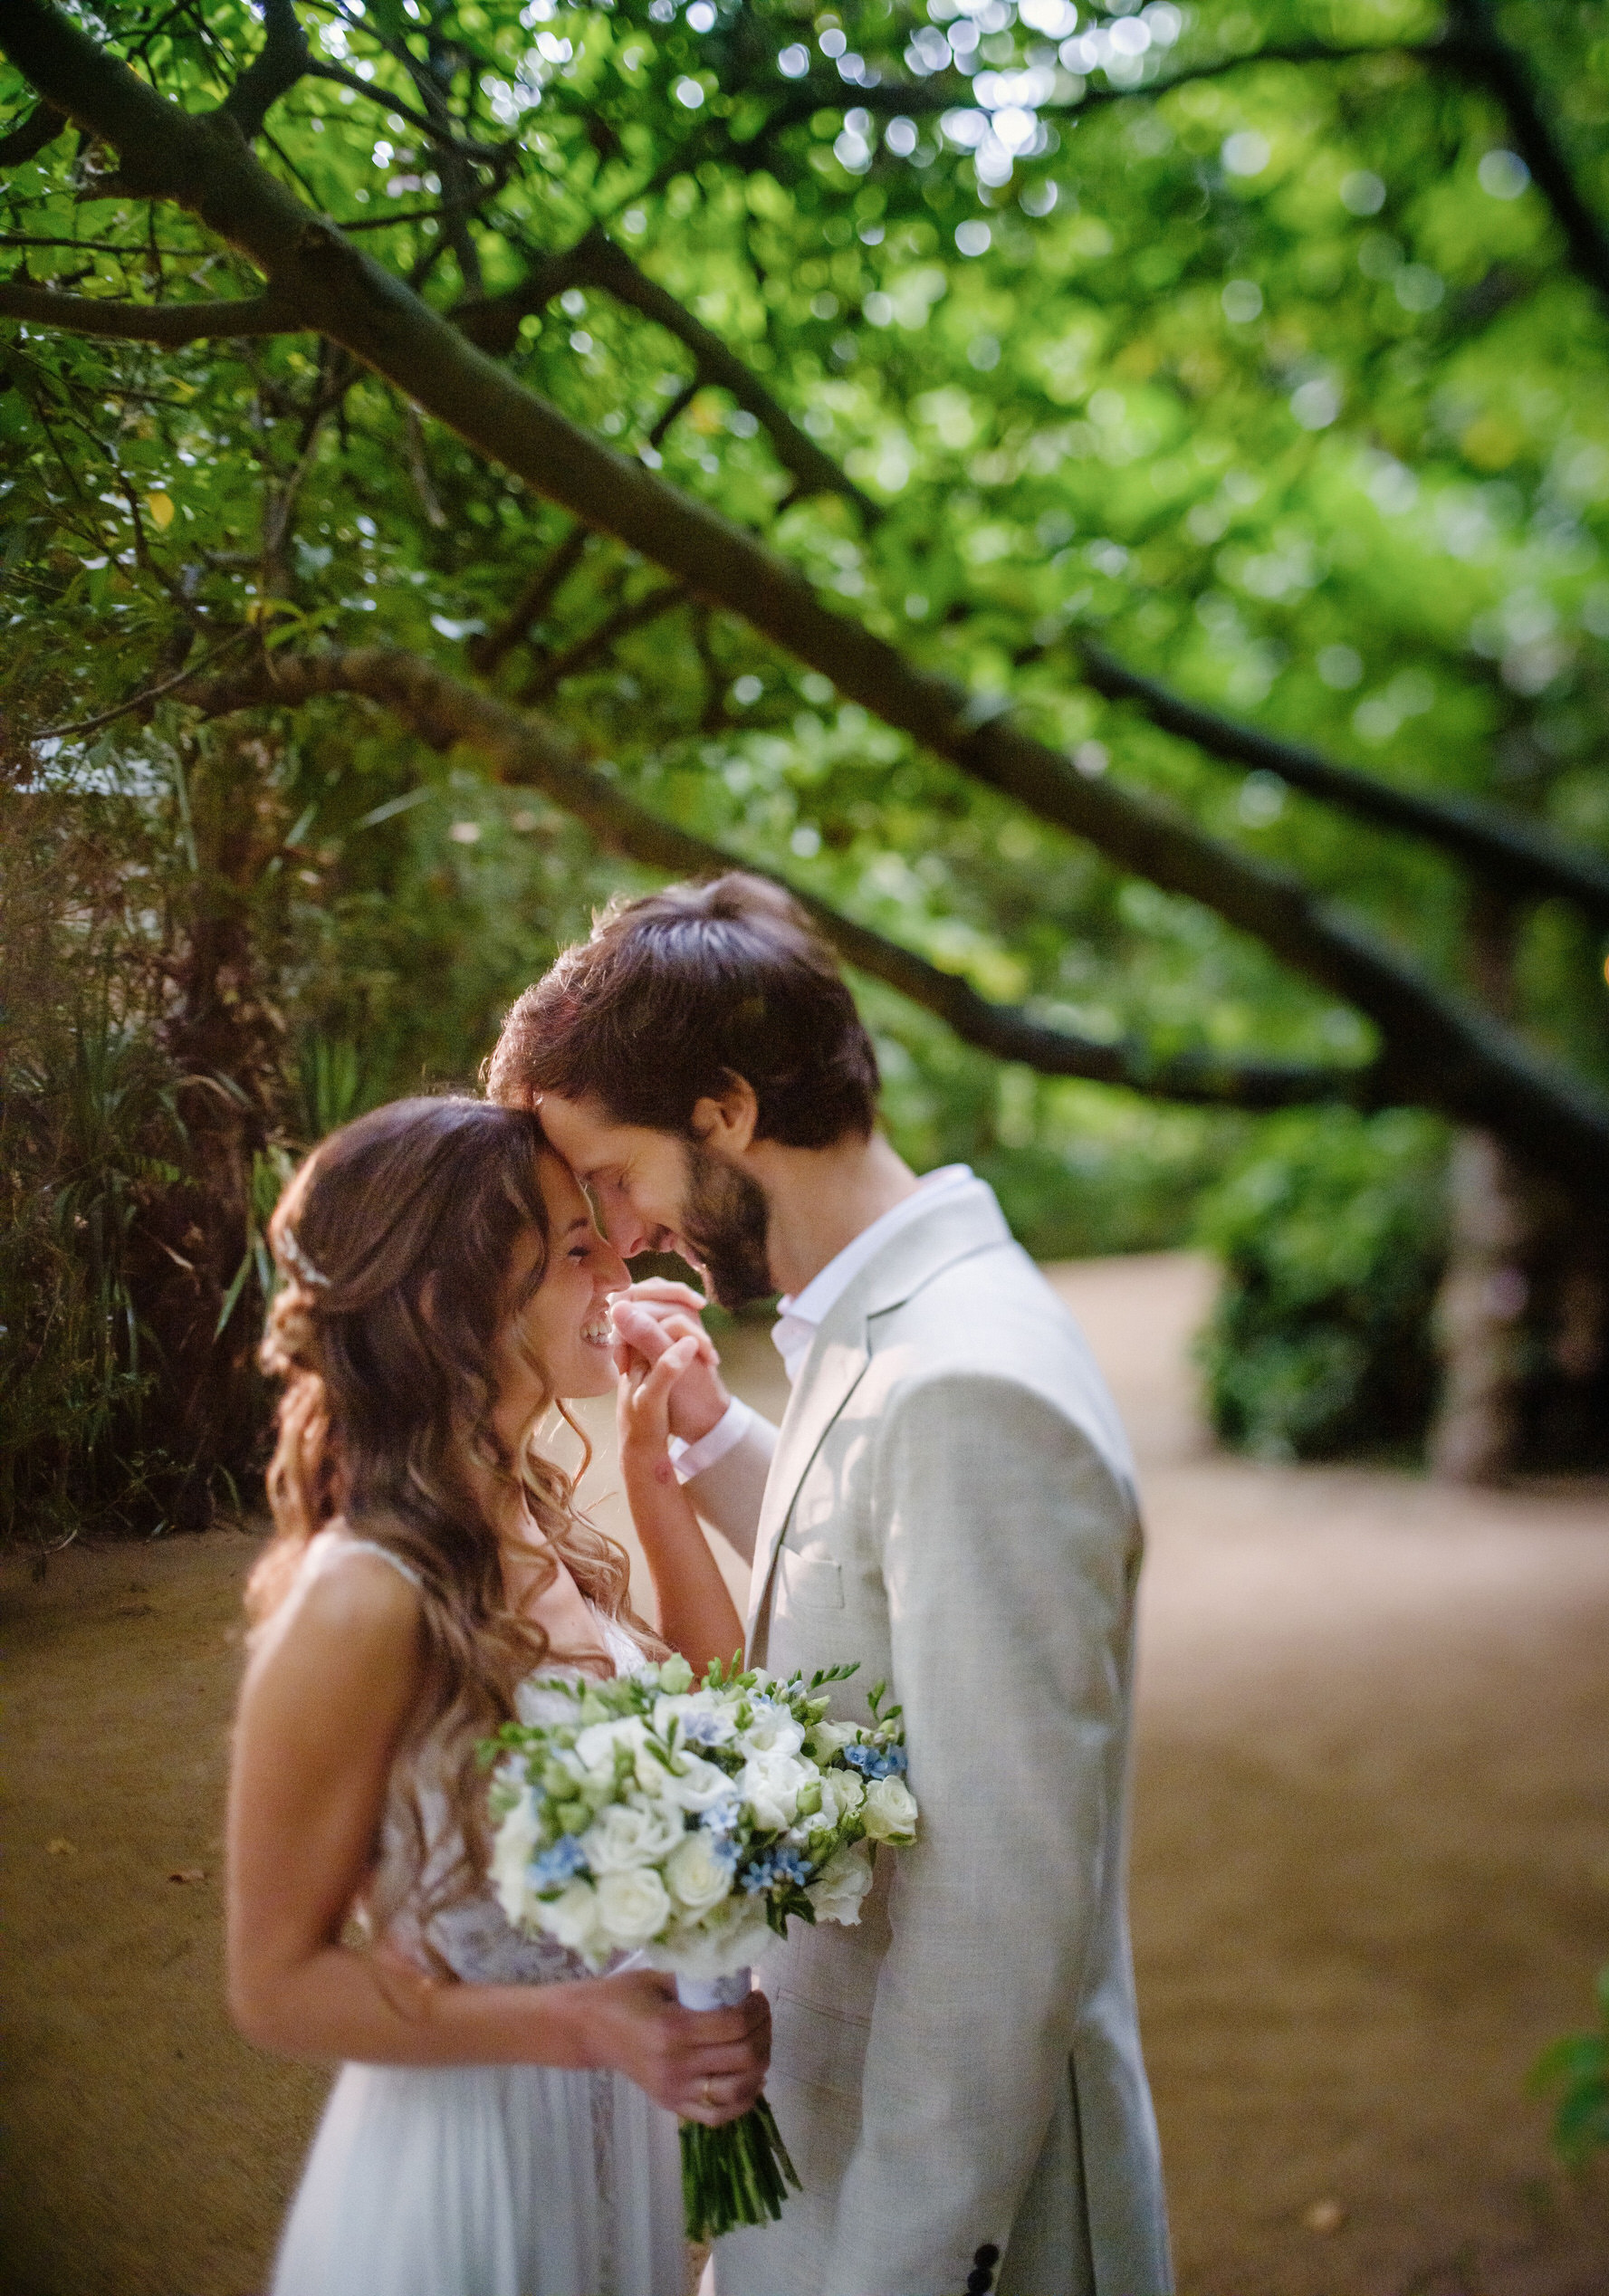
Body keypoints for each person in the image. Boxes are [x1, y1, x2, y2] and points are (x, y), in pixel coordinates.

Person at [487, 875, 1175, 2296]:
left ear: (723, 1113)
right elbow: (875, 1584)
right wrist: (714, 1438)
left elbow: (999, 1908)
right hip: (829, 2144)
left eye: (612, 1175)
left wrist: (904, 2263)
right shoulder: (895, 1328)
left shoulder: (969, 1383)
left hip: (944, 2215)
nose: (617, 1235)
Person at [225, 1095, 771, 2296]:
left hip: (602, 2143)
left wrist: (655, 1468)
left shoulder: (527, 1513)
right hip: (465, 2177)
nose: (622, 1263)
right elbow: (273, 1985)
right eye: (576, 1248)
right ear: (449, 1302)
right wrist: (586, 2025)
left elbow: (714, 1725)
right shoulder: (363, 1598)